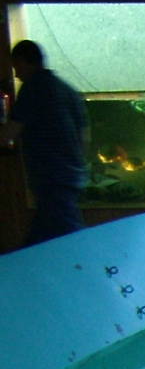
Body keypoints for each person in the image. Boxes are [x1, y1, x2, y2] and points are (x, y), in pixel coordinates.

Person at [0, 40, 89, 247]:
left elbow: (9, 134)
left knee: (71, 237)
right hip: (72, 176)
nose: (16, 74)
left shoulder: (32, 89)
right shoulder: (66, 89)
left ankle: (98, 269)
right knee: (44, 236)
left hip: (51, 178)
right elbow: (85, 136)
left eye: (16, 67)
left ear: (24, 62)